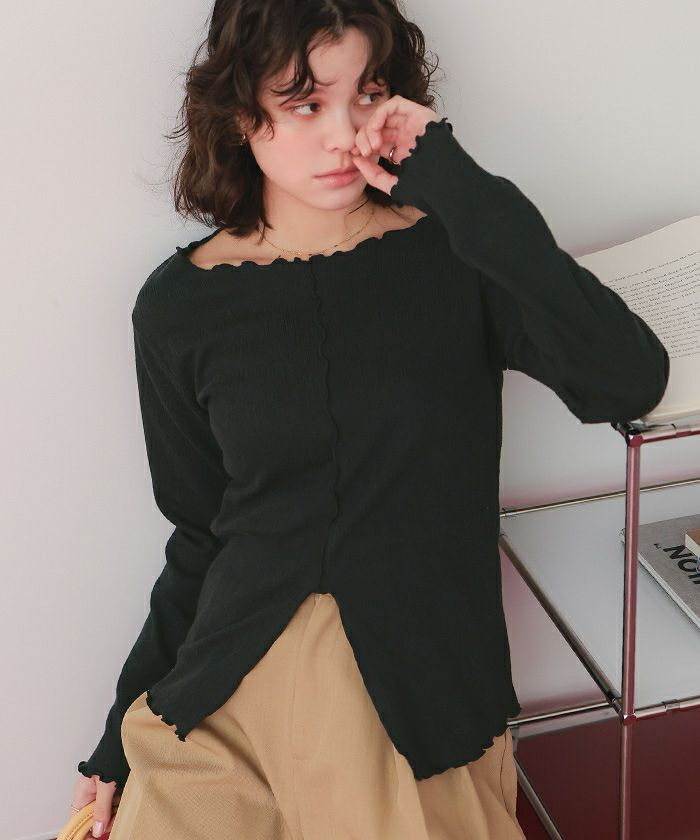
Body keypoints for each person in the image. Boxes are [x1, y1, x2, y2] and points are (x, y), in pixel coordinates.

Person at [69, 1, 670, 838]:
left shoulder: (456, 251)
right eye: (305, 103)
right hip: (220, 713)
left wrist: (451, 177)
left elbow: (626, 380)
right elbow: (202, 536)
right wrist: (114, 742)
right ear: (240, 114)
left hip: (409, 712)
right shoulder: (178, 308)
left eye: (369, 93)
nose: (344, 133)